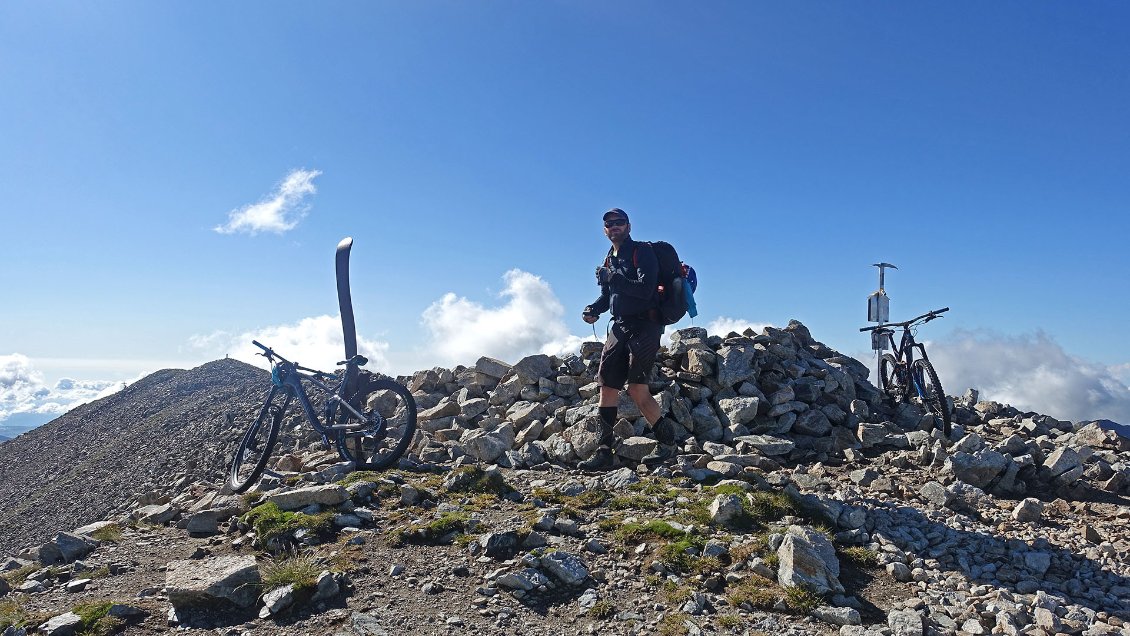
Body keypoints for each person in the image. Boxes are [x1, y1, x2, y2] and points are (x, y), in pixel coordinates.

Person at [578, 208, 679, 470]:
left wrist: (613, 278)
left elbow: (646, 290)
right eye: (609, 224)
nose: (614, 227)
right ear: (604, 230)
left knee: (636, 389)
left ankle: (668, 444)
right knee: (607, 387)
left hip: (646, 324)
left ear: (629, 226)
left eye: (619, 222)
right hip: (620, 326)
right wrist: (593, 309)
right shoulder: (609, 259)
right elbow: (607, 297)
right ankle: (603, 452)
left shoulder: (641, 252)